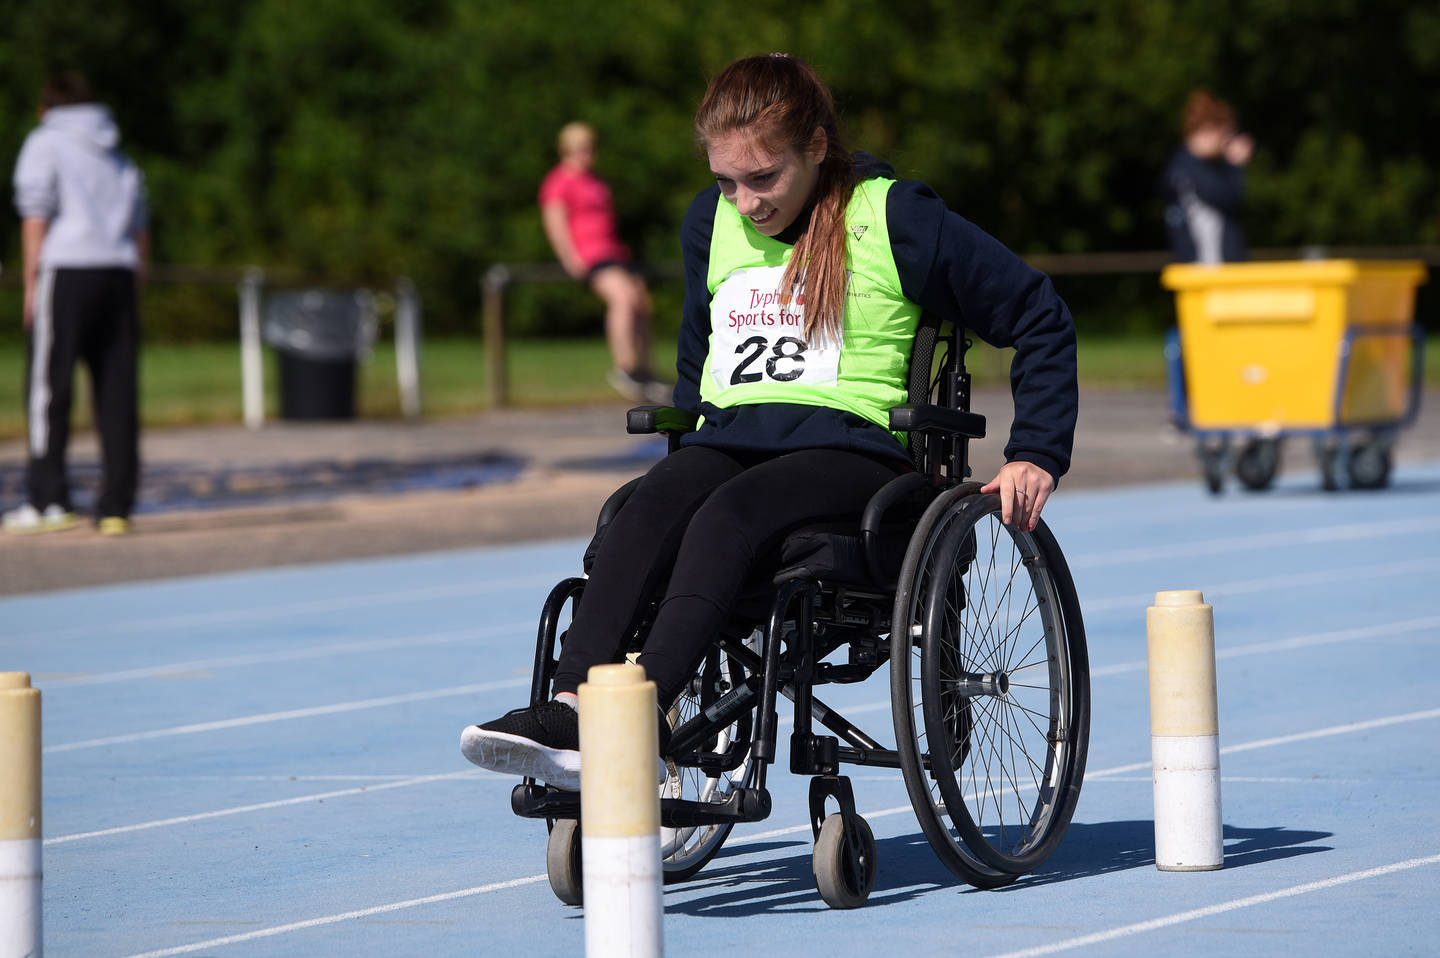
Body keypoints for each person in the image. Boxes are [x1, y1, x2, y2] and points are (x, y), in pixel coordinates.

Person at [462, 55, 1077, 790]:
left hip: (853, 450)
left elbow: (1038, 313)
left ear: (816, 147)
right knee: (652, 504)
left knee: (729, 515)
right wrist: (684, 452)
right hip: (733, 436)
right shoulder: (709, 222)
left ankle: (639, 718)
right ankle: (568, 710)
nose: (745, 201)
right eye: (727, 180)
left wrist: (1035, 451)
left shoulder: (894, 216)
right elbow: (697, 364)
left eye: (764, 178)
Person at [4, 72, 148, 536]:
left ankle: (48, 500)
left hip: (65, 271)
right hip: (120, 273)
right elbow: (140, 229)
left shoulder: (46, 142)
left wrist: (32, 284)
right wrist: (135, 288)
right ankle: (116, 506)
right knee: (116, 390)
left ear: (47, 107)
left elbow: (35, 215)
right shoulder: (117, 152)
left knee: (49, 388)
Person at [539, 121, 670, 403]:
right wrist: (570, 257)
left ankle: (645, 369)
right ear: (566, 150)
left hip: (613, 252)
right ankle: (625, 367)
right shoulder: (559, 180)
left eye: (590, 149)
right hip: (590, 254)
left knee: (642, 301)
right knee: (622, 298)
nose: (587, 155)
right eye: (581, 150)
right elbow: (555, 221)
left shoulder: (596, 181)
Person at [1159, 89, 1253, 264]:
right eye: (1224, 136)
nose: (1225, 144)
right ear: (1210, 129)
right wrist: (1234, 165)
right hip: (1206, 271)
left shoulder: (1187, 167)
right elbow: (1230, 199)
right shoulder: (1188, 170)